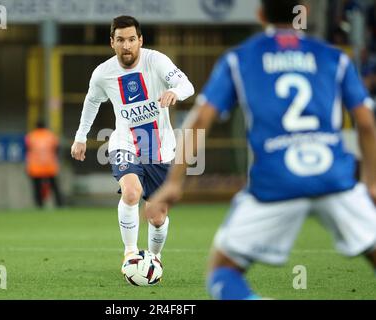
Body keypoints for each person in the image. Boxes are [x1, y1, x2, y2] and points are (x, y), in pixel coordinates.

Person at [146, 0, 376, 300]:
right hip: (335, 178)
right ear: (303, 10)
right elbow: (366, 124)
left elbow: (200, 119)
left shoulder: (239, 59)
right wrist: (371, 181)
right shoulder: (334, 58)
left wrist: (174, 183)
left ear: (261, 14)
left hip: (275, 181)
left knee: (222, 272)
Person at [70, 16, 194, 268]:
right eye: (120, 40)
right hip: (124, 143)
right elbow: (92, 102)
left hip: (160, 149)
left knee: (157, 216)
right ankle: (130, 254)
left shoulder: (156, 61)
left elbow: (187, 85)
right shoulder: (103, 74)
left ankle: (154, 259)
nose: (126, 46)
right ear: (111, 43)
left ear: (140, 40)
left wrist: (174, 91)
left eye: (131, 40)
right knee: (131, 192)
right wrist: (80, 137)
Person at [25, 120, 63, 208]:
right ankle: (59, 203)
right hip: (49, 166)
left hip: (35, 167)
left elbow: (27, 150)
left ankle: (39, 204)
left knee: (37, 187)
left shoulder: (30, 136)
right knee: (54, 186)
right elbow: (57, 149)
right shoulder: (51, 136)